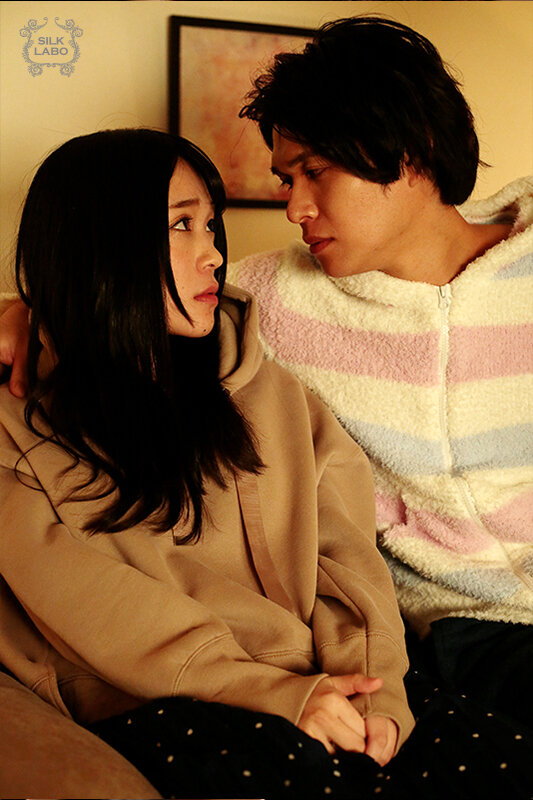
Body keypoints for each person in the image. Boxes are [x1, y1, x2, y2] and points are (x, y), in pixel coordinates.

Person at [0, 127, 423, 800]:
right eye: (181, 225)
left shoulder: (269, 390)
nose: (214, 254)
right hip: (163, 704)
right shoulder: (20, 425)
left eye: (209, 224)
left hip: (325, 685)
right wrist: (275, 692)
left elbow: (345, 559)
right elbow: (97, 609)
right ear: (102, 244)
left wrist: (376, 692)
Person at [230, 13, 533, 743]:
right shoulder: (274, 297)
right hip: (466, 629)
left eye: (314, 172)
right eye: (285, 179)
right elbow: (123, 309)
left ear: (410, 150)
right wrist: (24, 314)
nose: (294, 207)